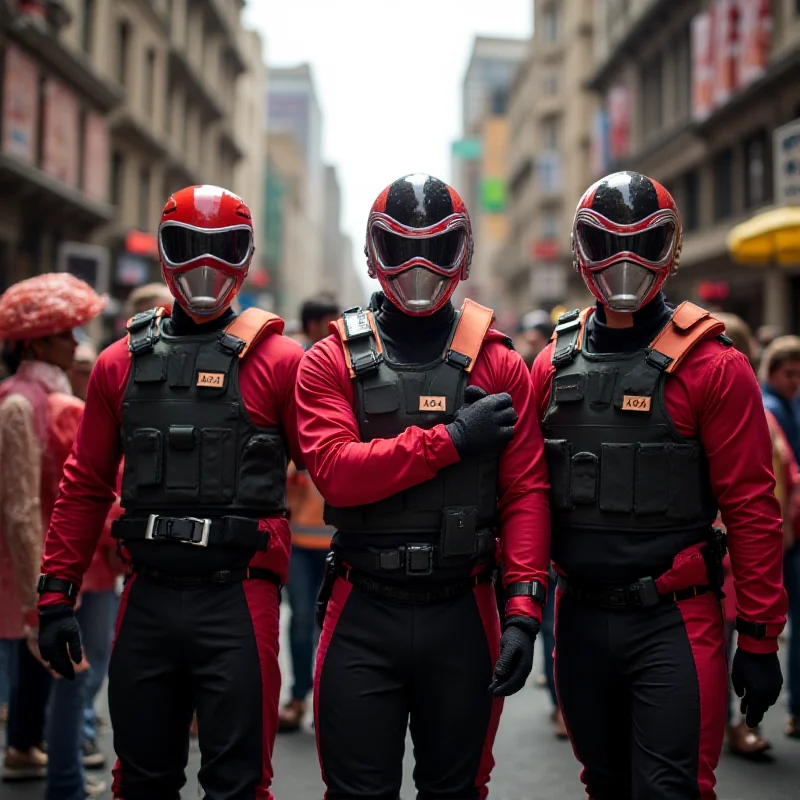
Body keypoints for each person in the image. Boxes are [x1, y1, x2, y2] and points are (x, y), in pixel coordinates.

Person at [35, 185, 305, 800]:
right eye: (188, 246)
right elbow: (84, 484)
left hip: (239, 595)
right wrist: (56, 593)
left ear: (245, 254)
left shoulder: (282, 362)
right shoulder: (118, 363)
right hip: (148, 596)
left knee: (238, 785)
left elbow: (337, 464)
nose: (204, 266)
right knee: (141, 781)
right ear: (163, 251)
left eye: (222, 248)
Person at [529, 171, 787, 799]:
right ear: (580, 248)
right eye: (603, 241)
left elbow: (753, 507)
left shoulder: (714, 364)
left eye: (642, 242)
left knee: (672, 790)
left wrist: (759, 635)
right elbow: (526, 497)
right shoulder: (551, 363)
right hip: (581, 615)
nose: (623, 260)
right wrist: (518, 611)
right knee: (605, 785)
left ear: (669, 248)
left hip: (673, 618)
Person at [296, 173, 551, 799]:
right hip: (364, 602)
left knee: (457, 790)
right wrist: (452, 440)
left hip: (464, 605)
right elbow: (335, 471)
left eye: (436, 249)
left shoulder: (499, 362)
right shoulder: (330, 360)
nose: (417, 266)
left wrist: (522, 610)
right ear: (373, 252)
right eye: (400, 247)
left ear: (460, 254)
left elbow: (525, 493)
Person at [0, 274, 105, 792]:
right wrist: (35, 599)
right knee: (64, 675)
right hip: (45, 573)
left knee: (52, 679)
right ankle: (56, 776)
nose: (77, 344)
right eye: (67, 334)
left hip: (53, 569)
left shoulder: (43, 397)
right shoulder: (20, 404)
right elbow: (20, 510)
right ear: (39, 341)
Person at [279, 296, 340, 733]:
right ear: (317, 324)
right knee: (302, 620)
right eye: (331, 322)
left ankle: (327, 697)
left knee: (334, 624)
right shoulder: (292, 368)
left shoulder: (347, 367)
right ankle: (301, 695)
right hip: (300, 536)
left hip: (340, 534)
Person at [759, 335, 800, 740]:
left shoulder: (787, 405)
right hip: (777, 534)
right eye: (789, 373)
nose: (795, 381)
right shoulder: (770, 410)